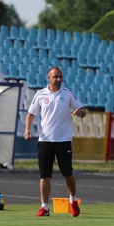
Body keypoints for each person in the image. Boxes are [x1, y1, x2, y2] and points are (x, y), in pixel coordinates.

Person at [24, 67, 86, 217]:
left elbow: (83, 111)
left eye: (60, 77)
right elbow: (31, 114)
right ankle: (44, 207)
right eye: (55, 77)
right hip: (45, 140)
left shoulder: (68, 93)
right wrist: (27, 129)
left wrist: (80, 113)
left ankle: (73, 200)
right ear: (49, 78)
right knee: (44, 175)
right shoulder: (40, 94)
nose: (58, 79)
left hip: (63, 140)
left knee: (67, 173)